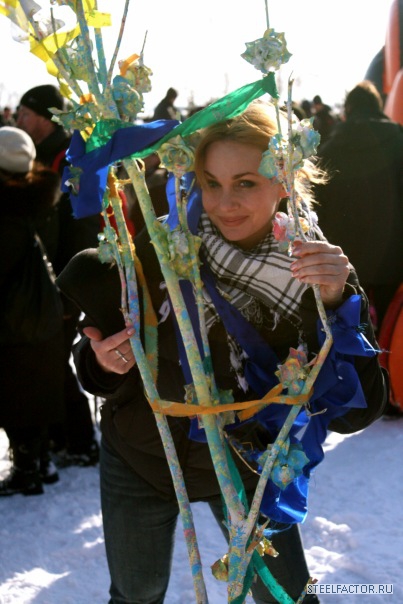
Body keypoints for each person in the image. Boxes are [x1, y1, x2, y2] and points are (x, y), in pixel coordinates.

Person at [56, 100, 387, 604]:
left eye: (246, 183)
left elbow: (360, 409)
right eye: (211, 183)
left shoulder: (317, 270)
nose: (224, 203)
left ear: (284, 179)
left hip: (247, 466)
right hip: (143, 457)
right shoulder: (161, 248)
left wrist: (339, 304)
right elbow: (94, 359)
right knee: (136, 594)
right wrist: (102, 362)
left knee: (286, 597)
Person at [17, 84, 101, 464]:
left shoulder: (68, 158)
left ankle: (80, 442)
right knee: (45, 361)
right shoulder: (37, 154)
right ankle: (61, 437)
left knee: (52, 361)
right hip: (41, 277)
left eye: (26, 114)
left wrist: (69, 288)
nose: (19, 120)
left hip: (62, 280)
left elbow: (80, 227)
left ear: (45, 118)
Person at [314, 80, 403, 417]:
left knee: (357, 321)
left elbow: (316, 204)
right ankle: (393, 390)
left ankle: (361, 394)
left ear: (348, 109)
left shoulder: (331, 147)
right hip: (394, 251)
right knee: (392, 323)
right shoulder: (399, 139)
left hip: (347, 257)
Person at [0, 127, 65, 495]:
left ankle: (27, 471)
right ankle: (40, 462)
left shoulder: (6, 209)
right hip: (43, 311)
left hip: (11, 319)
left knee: (13, 396)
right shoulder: (43, 197)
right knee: (34, 393)